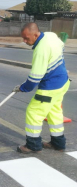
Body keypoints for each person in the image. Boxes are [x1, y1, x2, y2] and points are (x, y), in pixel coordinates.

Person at [14, 22, 70, 154]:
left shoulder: (41, 49)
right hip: (63, 82)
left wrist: (22, 88)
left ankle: (33, 145)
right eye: (23, 38)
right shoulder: (51, 36)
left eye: (27, 38)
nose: (25, 41)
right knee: (54, 112)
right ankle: (58, 143)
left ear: (35, 34)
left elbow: (34, 78)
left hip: (50, 87)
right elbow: (62, 47)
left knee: (33, 112)